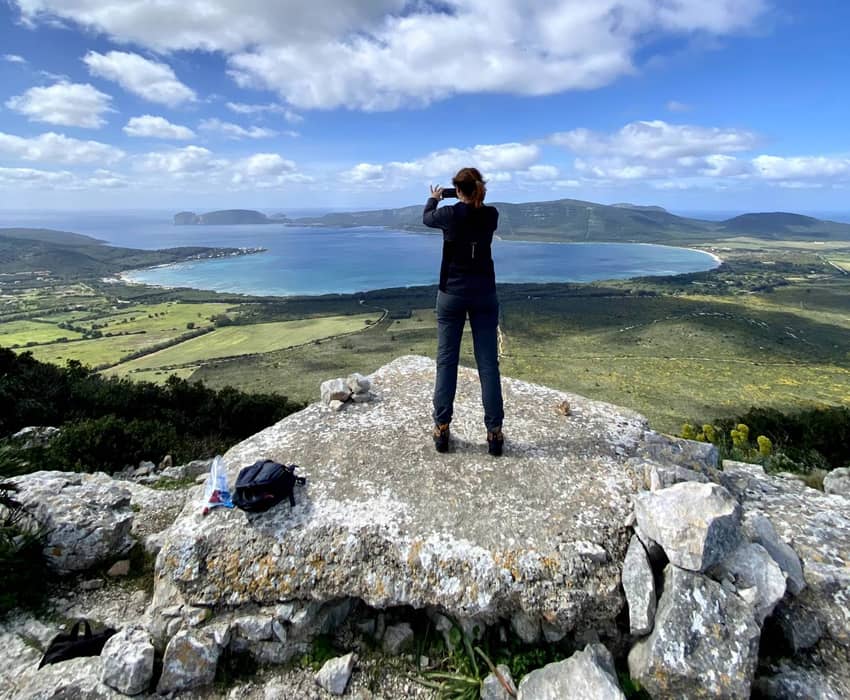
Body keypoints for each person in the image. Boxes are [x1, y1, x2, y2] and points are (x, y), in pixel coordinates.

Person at [423, 167, 505, 456]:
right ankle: (494, 434)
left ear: (457, 190)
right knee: (488, 365)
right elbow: (478, 207)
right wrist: (463, 194)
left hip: (451, 295)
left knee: (447, 362)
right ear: (479, 188)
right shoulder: (491, 215)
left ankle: (442, 429)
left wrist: (436, 198)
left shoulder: (448, 215)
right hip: (484, 294)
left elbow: (426, 218)